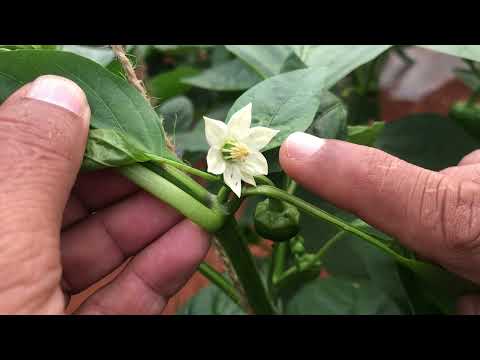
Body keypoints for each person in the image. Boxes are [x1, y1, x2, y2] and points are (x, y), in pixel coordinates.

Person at [0, 75, 478, 315]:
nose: (232, 147)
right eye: (228, 146)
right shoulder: (224, 154)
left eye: (236, 145)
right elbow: (229, 154)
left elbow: (238, 153)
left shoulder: (236, 152)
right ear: (222, 143)